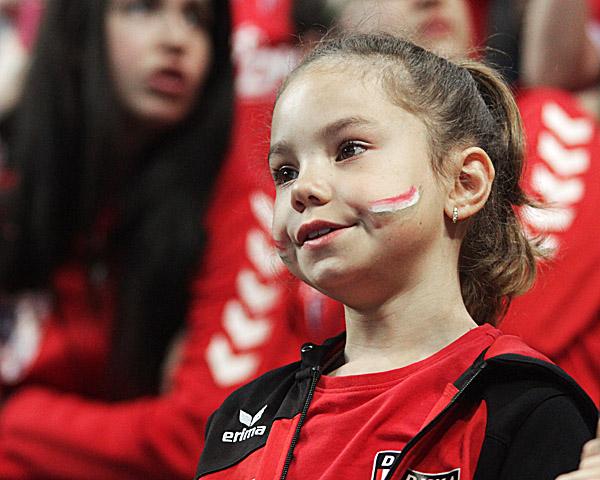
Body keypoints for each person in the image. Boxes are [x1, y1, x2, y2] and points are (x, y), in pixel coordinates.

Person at [196, 33, 598, 480]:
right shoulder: (242, 418)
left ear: (464, 184)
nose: (303, 189)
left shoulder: (524, 405)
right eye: (285, 172)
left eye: (349, 149)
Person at [0, 0, 326, 478]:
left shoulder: (239, 198)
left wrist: (18, 427)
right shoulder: (16, 175)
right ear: (78, 27)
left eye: (196, 18)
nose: (177, 39)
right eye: (142, 8)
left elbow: (212, 434)